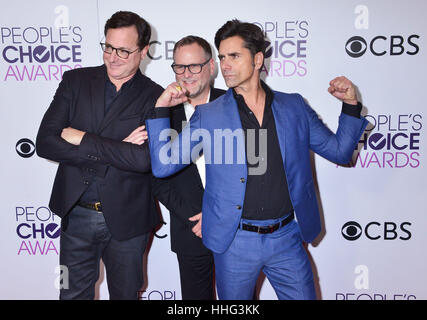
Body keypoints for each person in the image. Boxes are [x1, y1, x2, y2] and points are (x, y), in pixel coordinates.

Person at [146, 20, 369, 300]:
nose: (225, 65)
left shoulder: (294, 107)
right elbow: (164, 165)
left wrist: (350, 106)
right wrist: (160, 111)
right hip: (235, 243)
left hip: (287, 238)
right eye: (222, 57)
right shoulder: (210, 115)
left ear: (258, 59)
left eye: (234, 56)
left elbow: (339, 151)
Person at [36, 11, 163, 300]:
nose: (113, 57)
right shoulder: (75, 81)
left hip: (129, 220)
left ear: (144, 51)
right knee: (71, 295)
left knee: (126, 296)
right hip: (76, 213)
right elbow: (45, 142)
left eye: (123, 50)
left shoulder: (155, 96)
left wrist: (82, 138)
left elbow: (143, 160)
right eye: (108, 47)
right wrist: (120, 147)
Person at [152, 35, 225, 300]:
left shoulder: (234, 105)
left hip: (234, 226)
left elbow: (251, 169)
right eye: (179, 67)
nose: (186, 74)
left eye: (194, 66)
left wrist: (217, 215)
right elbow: (156, 177)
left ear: (212, 66)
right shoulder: (162, 113)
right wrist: (196, 216)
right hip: (190, 227)